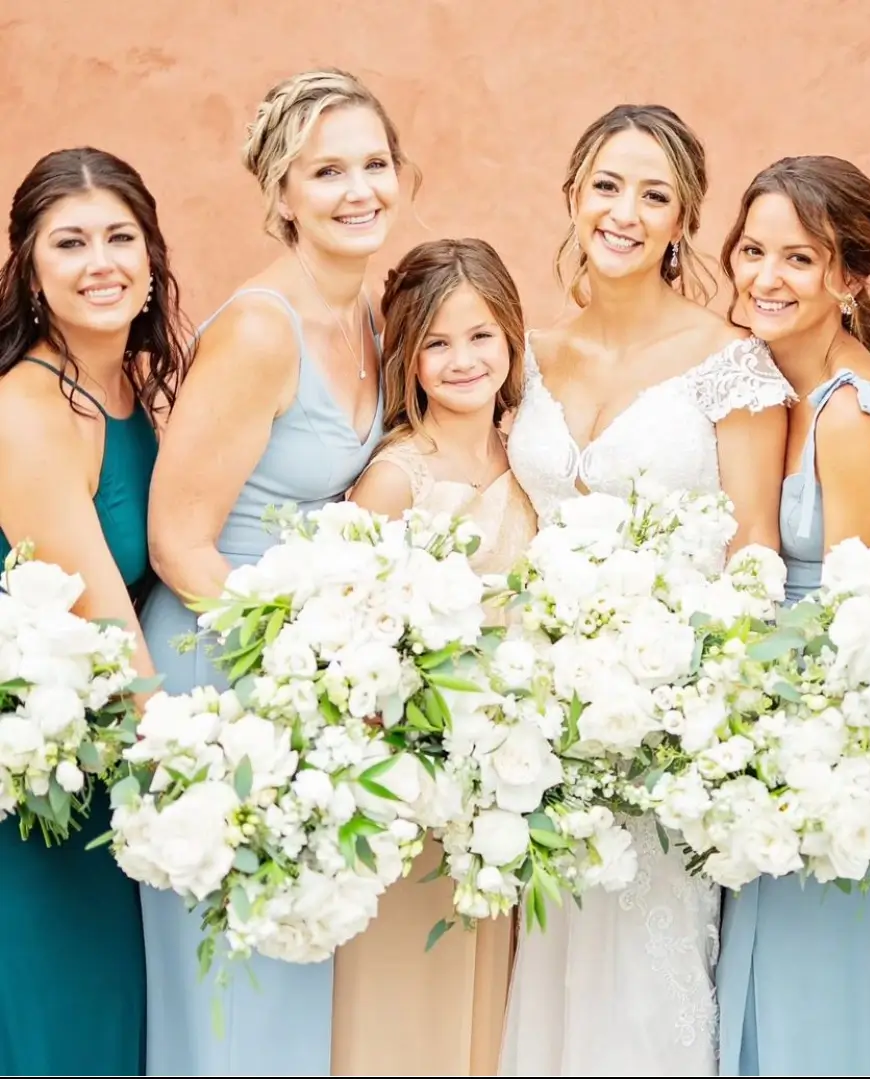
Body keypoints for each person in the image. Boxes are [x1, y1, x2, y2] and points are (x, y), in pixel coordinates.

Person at [500, 103, 793, 1076]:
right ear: (573, 198)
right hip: (537, 727)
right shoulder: (525, 354)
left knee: (642, 983)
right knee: (552, 972)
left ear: (684, 221)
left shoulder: (729, 363)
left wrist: (712, 712)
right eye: (608, 186)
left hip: (667, 721)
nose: (625, 211)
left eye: (654, 195)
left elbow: (754, 546)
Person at [141, 68, 406, 1076]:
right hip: (221, 670)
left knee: (295, 953)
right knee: (230, 981)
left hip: (304, 669)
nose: (357, 190)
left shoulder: (374, 318)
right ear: (280, 192)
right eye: (326, 170)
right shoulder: (262, 328)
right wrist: (285, 661)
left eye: (374, 164)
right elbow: (178, 539)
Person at [713, 155, 870, 1077]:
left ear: (847, 277)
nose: (765, 277)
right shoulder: (762, 375)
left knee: (817, 1011)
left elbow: (859, 623)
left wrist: (779, 753)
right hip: (773, 727)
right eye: (752, 250)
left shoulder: (848, 414)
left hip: (836, 755)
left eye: (799, 259)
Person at [0, 146, 191, 1075]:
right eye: (69, 243)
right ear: (30, 271)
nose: (100, 261)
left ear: (152, 255)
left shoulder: (125, 384)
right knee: (58, 1036)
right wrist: (219, 789)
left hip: (96, 772)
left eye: (120, 236)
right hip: (37, 798)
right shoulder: (26, 408)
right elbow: (109, 630)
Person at [340, 236, 536, 1076]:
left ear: (512, 339)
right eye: (437, 343)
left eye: (481, 335)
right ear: (406, 355)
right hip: (417, 780)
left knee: (490, 1009)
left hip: (511, 777)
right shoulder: (396, 476)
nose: (463, 360)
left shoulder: (528, 454)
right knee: (407, 1003)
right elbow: (351, 632)